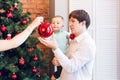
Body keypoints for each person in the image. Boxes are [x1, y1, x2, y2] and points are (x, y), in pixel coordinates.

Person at [38, 10, 96, 80]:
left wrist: (55, 48)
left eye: (73, 21)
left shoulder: (87, 43)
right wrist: (59, 61)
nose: (70, 24)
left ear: (83, 23)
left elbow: (71, 67)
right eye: (70, 21)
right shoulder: (73, 40)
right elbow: (67, 61)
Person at [50, 16, 69, 80]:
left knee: (64, 72)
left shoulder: (65, 33)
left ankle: (53, 78)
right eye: (53, 23)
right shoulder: (51, 35)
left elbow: (72, 38)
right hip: (58, 57)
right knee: (60, 71)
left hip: (66, 55)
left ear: (62, 26)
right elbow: (47, 41)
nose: (55, 24)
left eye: (58, 23)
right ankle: (53, 78)